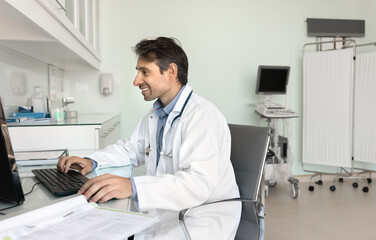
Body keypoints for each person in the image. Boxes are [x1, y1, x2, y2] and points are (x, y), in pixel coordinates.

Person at [57, 37, 241, 239]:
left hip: (200, 221)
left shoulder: (202, 115)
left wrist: (133, 187)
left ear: (171, 72)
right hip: (168, 214)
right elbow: (130, 150)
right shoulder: (157, 114)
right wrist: (91, 161)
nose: (136, 80)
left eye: (145, 72)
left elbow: (198, 184)